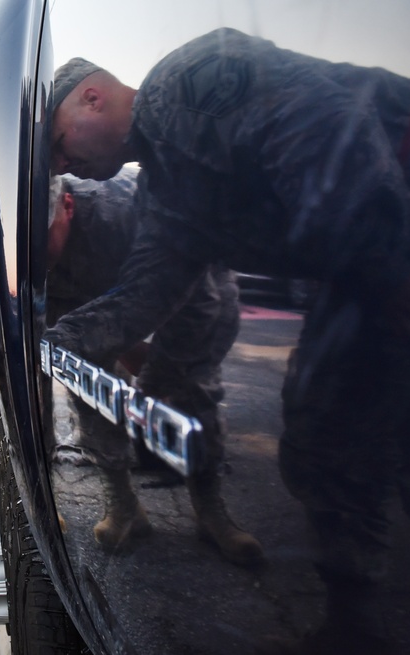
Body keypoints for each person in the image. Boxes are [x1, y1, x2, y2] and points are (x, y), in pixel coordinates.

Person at [46, 33, 410, 654]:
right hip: (375, 257)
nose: (64, 167)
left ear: (92, 100)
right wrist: (49, 342)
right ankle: (355, 622)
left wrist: (386, 259)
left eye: (57, 145)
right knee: (324, 439)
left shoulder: (186, 81)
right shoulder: (165, 188)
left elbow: (325, 126)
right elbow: (144, 296)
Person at [44, 170, 260, 566]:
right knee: (91, 391)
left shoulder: (131, 211)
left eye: (41, 242)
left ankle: (210, 508)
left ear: (68, 208)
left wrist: (155, 382)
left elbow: (200, 306)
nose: (32, 259)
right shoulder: (22, 243)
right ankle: (124, 505)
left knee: (192, 385)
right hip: (91, 294)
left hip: (197, 284)